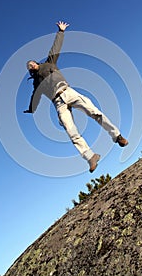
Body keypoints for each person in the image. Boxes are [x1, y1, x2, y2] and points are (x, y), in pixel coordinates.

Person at [24, 21, 128, 173]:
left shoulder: (49, 63)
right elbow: (35, 98)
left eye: (32, 63)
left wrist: (60, 32)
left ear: (36, 63)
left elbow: (55, 47)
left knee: (94, 112)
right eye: (29, 66)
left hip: (68, 92)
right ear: (30, 71)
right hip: (58, 103)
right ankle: (90, 157)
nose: (31, 65)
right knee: (70, 130)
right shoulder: (36, 83)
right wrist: (31, 109)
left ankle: (117, 136)